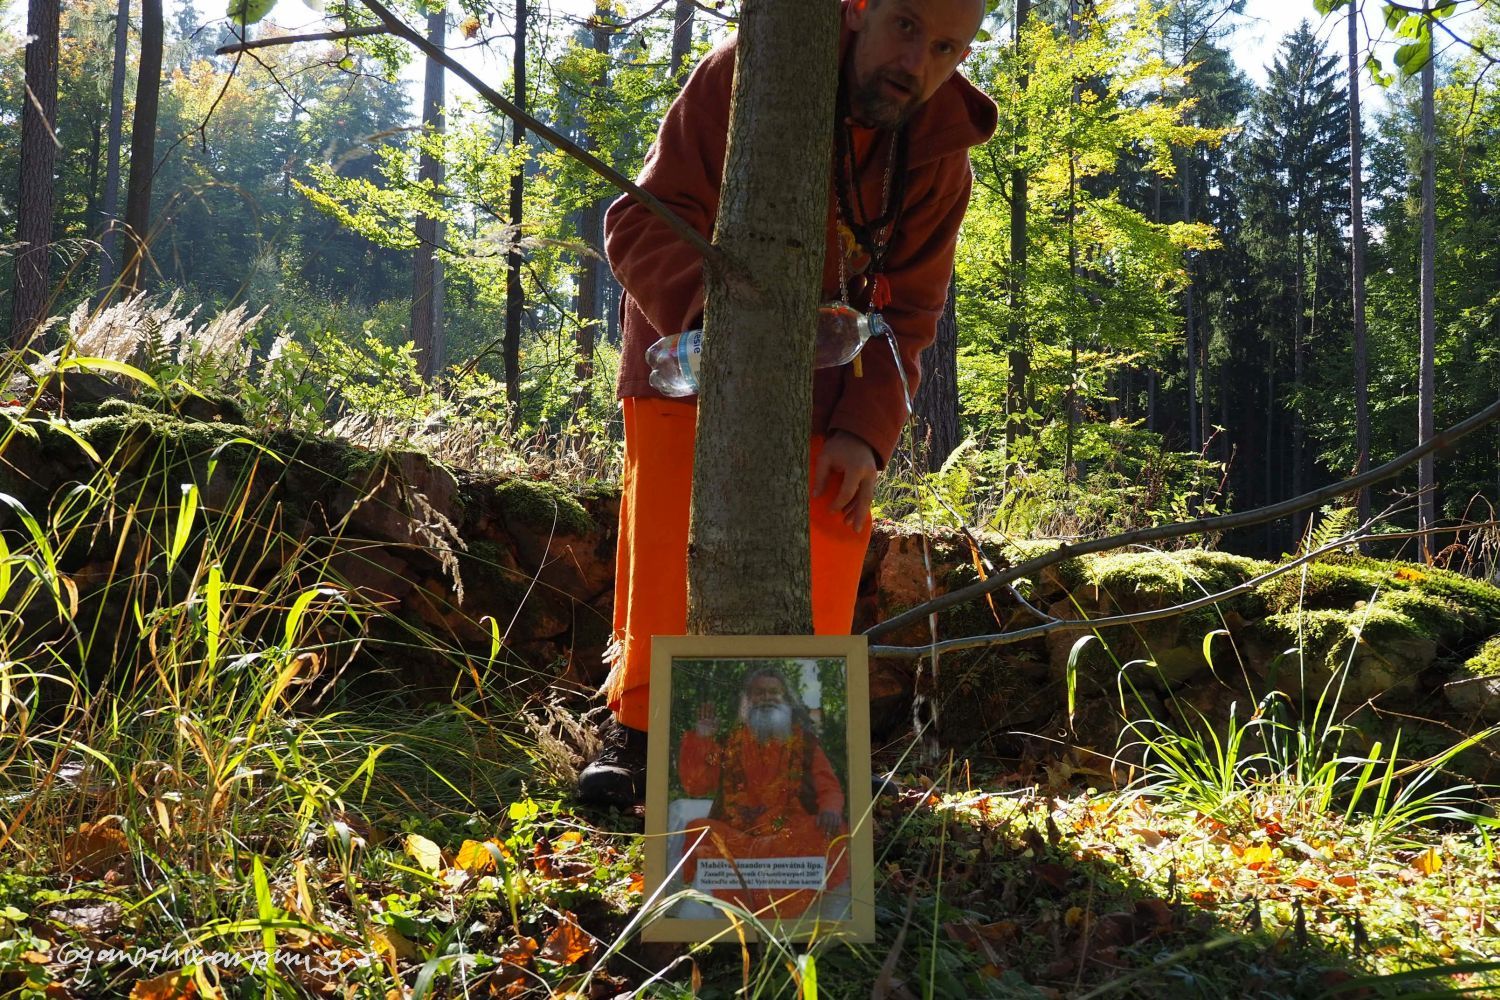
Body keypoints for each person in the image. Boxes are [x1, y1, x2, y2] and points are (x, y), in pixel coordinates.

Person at [578, 0, 996, 807]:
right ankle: (637, 745)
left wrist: (865, 435)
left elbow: (909, 314)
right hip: (689, 365)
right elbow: (638, 223)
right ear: (859, 9)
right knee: (670, 551)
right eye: (906, 28)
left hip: (836, 394)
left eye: (945, 47)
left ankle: (787, 780)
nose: (918, 63)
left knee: (831, 541)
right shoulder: (745, 74)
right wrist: (729, 340)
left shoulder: (942, 157)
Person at [673, 668, 847, 917]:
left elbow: (828, 786)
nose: (767, 697)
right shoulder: (727, 742)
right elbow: (696, 785)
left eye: (774, 692)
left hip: (789, 835)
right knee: (699, 829)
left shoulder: (805, 743)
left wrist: (830, 809)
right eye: (759, 693)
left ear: (785, 699)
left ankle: (792, 916)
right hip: (738, 836)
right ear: (747, 701)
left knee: (833, 830)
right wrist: (703, 738)